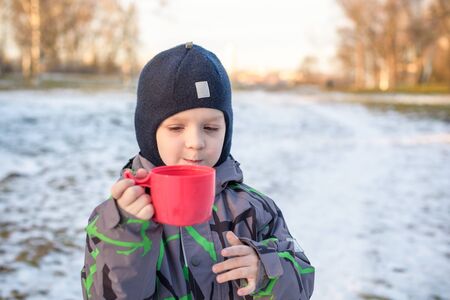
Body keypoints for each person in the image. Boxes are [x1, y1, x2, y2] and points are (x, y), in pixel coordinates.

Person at [81, 42, 314, 300]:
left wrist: (266, 271)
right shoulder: (115, 219)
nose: (196, 142)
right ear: (148, 133)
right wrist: (126, 233)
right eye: (176, 128)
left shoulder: (255, 209)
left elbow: (302, 281)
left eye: (211, 128)